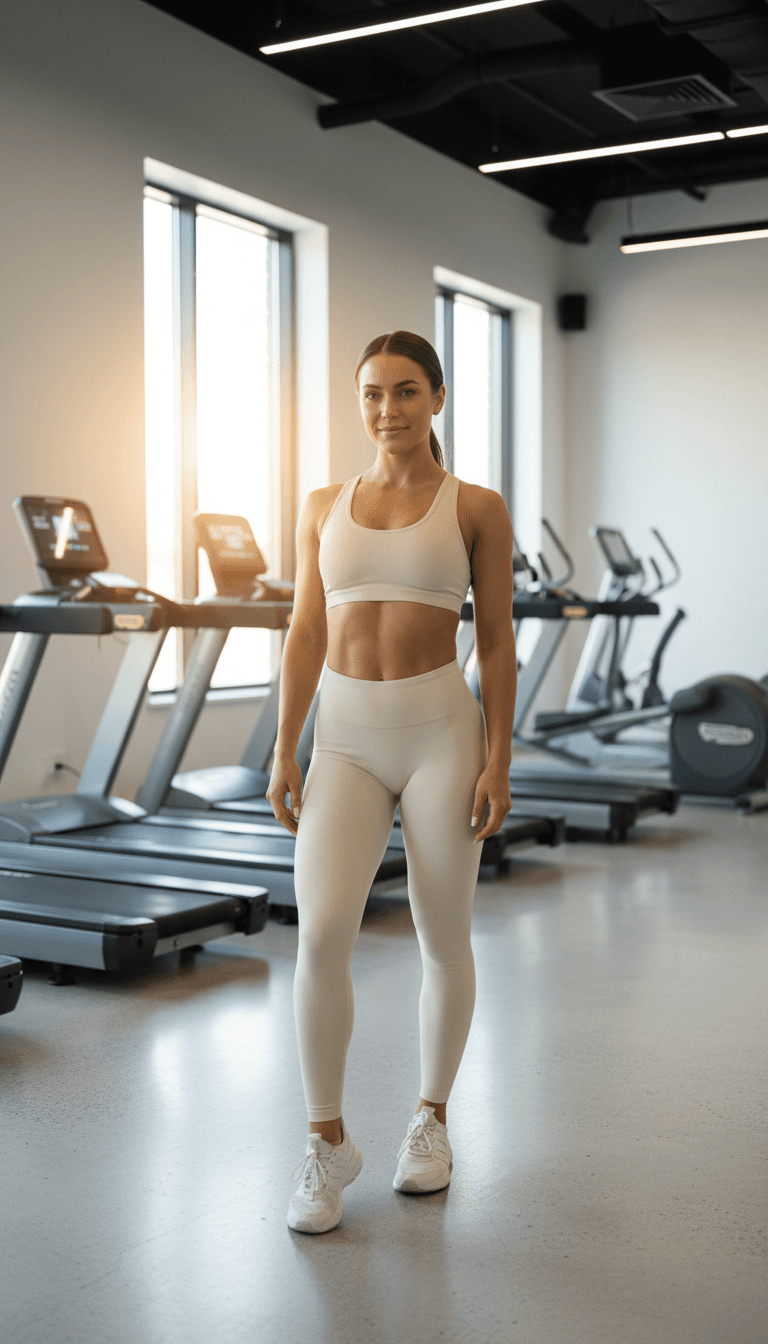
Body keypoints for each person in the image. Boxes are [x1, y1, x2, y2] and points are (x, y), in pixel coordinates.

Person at [267, 330, 516, 1234]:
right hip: (343, 738)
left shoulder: (476, 507)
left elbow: (496, 640)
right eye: (372, 394)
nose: (388, 410)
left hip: (441, 733)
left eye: (406, 391)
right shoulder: (322, 506)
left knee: (441, 935)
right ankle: (327, 1141)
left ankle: (431, 1120)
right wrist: (284, 746)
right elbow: (305, 633)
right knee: (322, 932)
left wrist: (499, 758)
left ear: (437, 398)